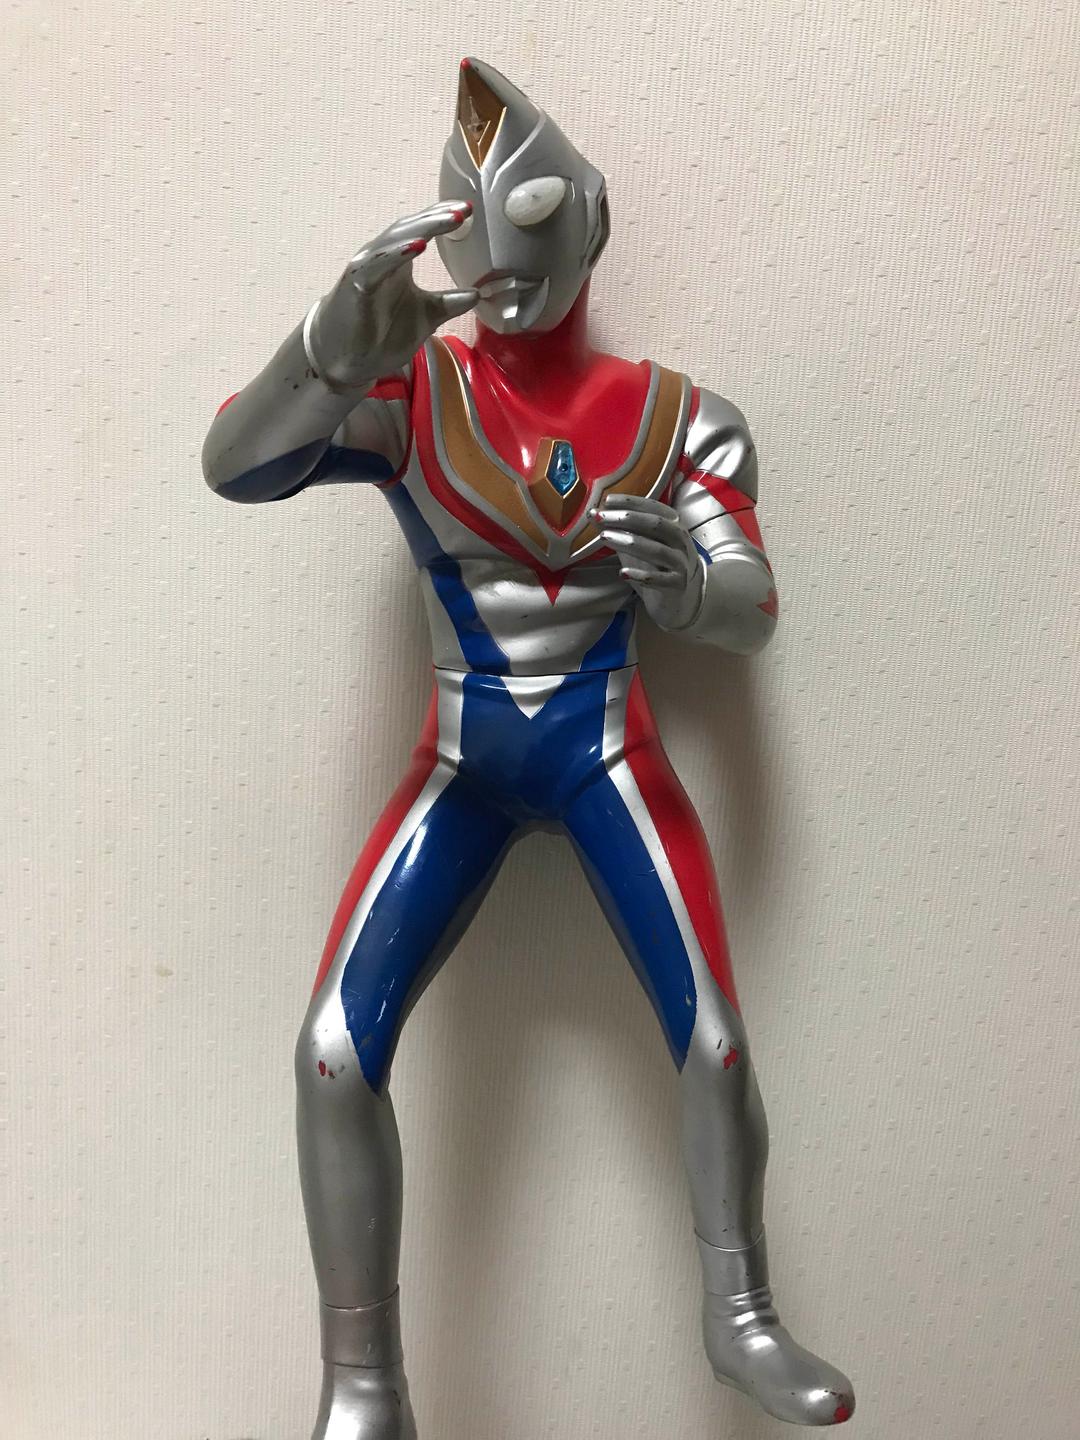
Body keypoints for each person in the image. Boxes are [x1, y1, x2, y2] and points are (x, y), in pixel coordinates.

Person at [203, 55, 854, 1439]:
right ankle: (362, 1382)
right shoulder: (414, 394)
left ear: (590, 218)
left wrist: (691, 583)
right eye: (483, 243)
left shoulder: (683, 417)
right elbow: (238, 465)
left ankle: (741, 1316)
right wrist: (324, 355)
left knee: (716, 1043)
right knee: (332, 1053)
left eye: (536, 224)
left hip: (608, 748)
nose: (507, 272)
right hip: (464, 759)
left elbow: (752, 609)